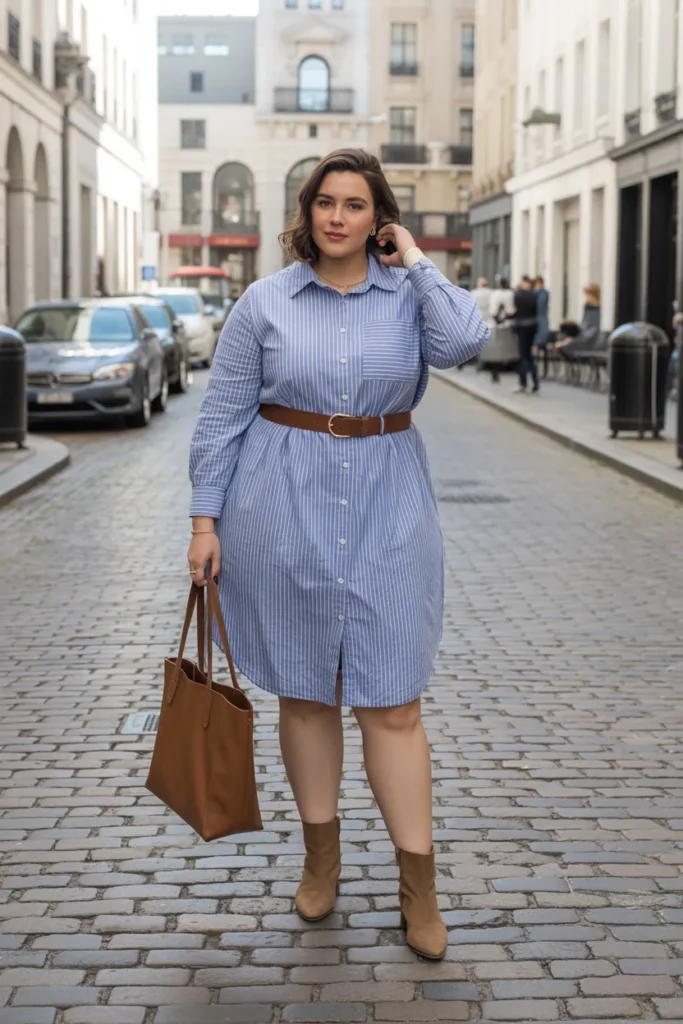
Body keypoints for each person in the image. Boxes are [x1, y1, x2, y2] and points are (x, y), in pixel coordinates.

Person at [187, 148, 489, 962]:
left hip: (391, 506)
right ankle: (320, 860)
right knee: (306, 694)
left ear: (377, 217)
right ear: (306, 210)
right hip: (280, 508)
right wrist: (204, 522)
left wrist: (414, 257)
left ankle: (418, 887)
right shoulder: (264, 302)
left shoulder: (410, 297)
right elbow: (221, 417)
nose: (337, 217)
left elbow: (466, 341)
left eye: (355, 205)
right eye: (325, 201)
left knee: (393, 704)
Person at [510, 275, 539, 393]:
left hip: (522, 326)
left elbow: (515, 311)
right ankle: (535, 383)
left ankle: (523, 383)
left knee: (522, 355)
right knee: (530, 356)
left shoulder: (519, 295)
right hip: (532, 326)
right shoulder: (535, 295)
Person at [486, 276, 516, 382]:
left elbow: (493, 310)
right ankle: (507, 366)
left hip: (496, 323)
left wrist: (497, 319)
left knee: (496, 348)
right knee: (506, 348)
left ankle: (495, 371)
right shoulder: (510, 294)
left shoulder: (494, 294)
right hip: (507, 323)